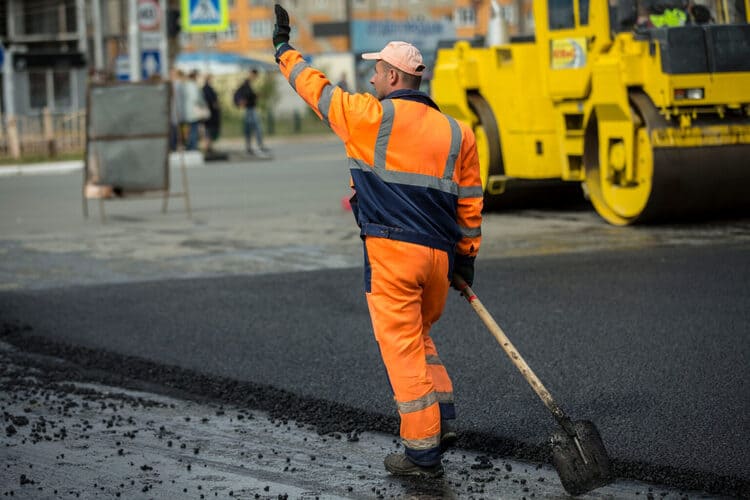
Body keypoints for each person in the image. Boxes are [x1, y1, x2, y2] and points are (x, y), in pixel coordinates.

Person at [271, 4, 483, 479]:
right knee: (420, 336)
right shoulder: (458, 132)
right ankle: (442, 417)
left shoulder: (369, 117)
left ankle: (421, 452)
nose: (370, 81)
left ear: (391, 75)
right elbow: (470, 203)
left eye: (375, 72)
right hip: (438, 260)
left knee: (402, 348)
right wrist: (466, 260)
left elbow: (316, 89)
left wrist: (284, 51)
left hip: (392, 256)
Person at [234, 68, 270, 155]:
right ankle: (258, 146)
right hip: (250, 109)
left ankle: (250, 147)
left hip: (250, 109)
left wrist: (255, 96)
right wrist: (241, 101)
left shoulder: (248, 84)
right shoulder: (246, 83)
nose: (255, 77)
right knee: (256, 128)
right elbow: (241, 94)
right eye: (254, 75)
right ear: (252, 74)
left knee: (249, 129)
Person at [182, 70, 208, 151]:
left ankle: (190, 145)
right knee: (194, 129)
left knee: (190, 129)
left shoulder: (185, 85)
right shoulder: (193, 86)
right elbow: (196, 99)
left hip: (187, 111)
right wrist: (204, 105)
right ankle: (192, 146)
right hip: (194, 112)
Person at [202, 73, 221, 154]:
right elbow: (213, 102)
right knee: (209, 130)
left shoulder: (205, 89)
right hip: (211, 113)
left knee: (208, 130)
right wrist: (217, 105)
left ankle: (209, 147)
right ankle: (207, 147)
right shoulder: (208, 89)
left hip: (209, 113)